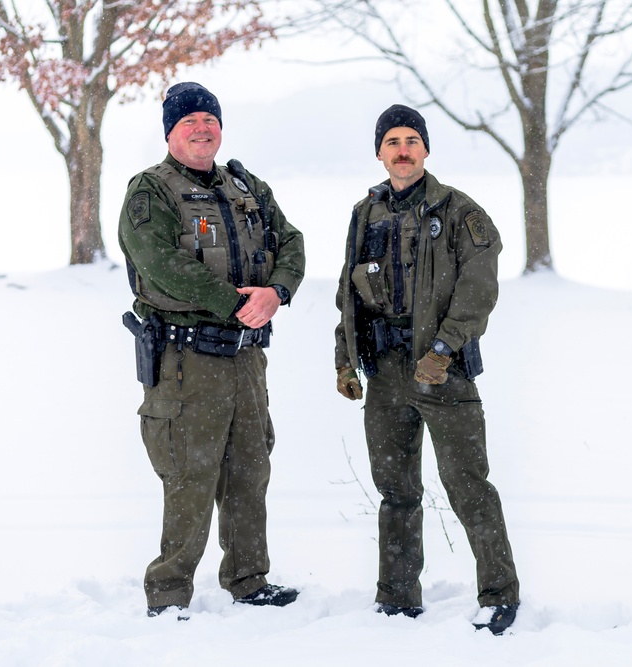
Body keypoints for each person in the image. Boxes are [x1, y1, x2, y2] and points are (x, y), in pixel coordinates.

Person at [118, 82, 305, 619]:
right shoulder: (150, 190)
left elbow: (290, 242)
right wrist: (232, 303)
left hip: (247, 360)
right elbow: (159, 264)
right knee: (189, 474)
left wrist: (277, 292)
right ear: (171, 133)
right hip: (185, 361)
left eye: (210, 119)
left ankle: (248, 579)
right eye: (189, 122)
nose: (202, 129)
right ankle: (170, 592)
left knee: (249, 468)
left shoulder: (246, 185)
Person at [333, 104, 521, 635]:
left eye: (411, 139)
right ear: (379, 152)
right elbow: (349, 294)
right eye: (392, 141)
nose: (402, 149)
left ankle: (500, 593)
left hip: (444, 371)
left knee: (468, 486)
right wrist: (345, 360)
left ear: (426, 149)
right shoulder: (364, 214)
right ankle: (396, 598)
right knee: (396, 492)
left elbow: (478, 290)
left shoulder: (459, 212)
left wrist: (443, 347)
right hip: (386, 373)